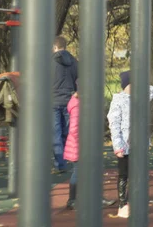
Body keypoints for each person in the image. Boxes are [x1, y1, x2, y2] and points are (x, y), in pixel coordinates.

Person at [107, 71, 153, 218]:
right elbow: (114, 124)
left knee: (139, 174)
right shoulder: (118, 100)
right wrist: (118, 146)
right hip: (125, 144)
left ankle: (133, 201)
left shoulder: (141, 97)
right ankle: (123, 204)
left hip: (140, 144)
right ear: (126, 85)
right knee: (124, 175)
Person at [64, 81, 116, 210]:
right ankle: (73, 200)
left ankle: (93, 198)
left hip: (82, 144)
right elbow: (74, 129)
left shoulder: (81, 104)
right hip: (80, 145)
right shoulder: (77, 106)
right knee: (80, 172)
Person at [52, 36, 78, 173]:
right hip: (69, 100)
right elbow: (79, 79)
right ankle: (71, 159)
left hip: (53, 100)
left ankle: (60, 164)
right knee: (68, 132)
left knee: (55, 133)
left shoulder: (49, 62)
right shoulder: (74, 62)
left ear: (55, 47)